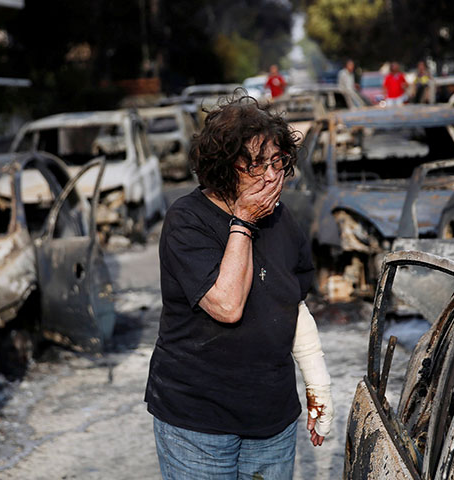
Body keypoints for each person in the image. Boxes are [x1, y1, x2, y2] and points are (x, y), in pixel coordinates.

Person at [145, 95, 334, 480]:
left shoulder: (283, 221)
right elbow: (227, 305)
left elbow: (292, 307)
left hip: (271, 421)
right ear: (222, 167)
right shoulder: (187, 220)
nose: (270, 176)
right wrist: (243, 221)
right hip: (197, 422)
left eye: (277, 161)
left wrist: (319, 387)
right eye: (255, 164)